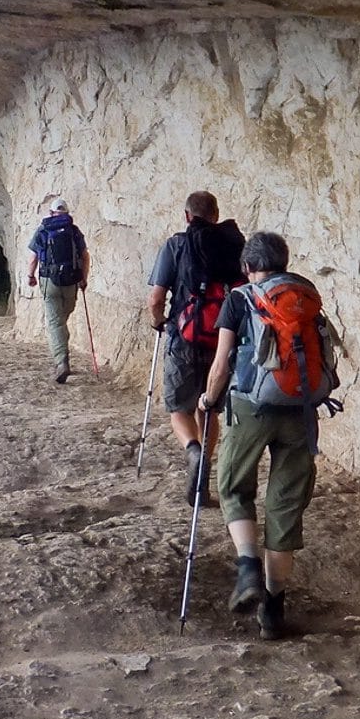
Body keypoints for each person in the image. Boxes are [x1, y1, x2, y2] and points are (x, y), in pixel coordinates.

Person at [198, 231, 322, 641]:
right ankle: (273, 611)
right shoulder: (305, 295)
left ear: (248, 266)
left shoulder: (240, 299)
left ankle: (247, 568)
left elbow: (221, 364)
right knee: (284, 506)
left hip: (251, 407)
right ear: (284, 261)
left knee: (234, 486)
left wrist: (208, 400)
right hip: (301, 409)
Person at [145, 191, 245, 504]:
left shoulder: (176, 245)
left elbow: (156, 298)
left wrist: (159, 321)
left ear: (188, 216)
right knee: (209, 407)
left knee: (179, 409)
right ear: (216, 215)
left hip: (185, 337)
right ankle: (203, 476)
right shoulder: (234, 245)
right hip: (222, 341)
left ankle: (193, 450)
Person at [26, 197, 90, 383]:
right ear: (67, 213)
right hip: (70, 281)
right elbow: (85, 257)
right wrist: (83, 278)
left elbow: (33, 258)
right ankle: (62, 350)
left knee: (55, 323)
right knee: (62, 318)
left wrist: (30, 276)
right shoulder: (74, 231)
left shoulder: (43, 230)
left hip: (49, 282)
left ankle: (61, 363)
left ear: (51, 213)